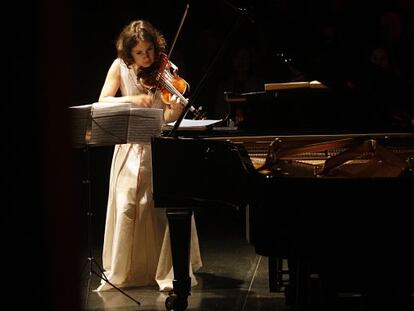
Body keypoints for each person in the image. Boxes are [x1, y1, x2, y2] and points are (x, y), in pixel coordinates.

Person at [94, 19, 202, 292]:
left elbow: (165, 117)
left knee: (162, 208)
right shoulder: (119, 67)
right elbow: (103, 100)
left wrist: (174, 113)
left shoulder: (163, 70)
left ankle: (167, 270)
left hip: (159, 147)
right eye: (140, 53)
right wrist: (131, 99)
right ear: (129, 53)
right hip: (129, 147)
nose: (147, 58)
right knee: (129, 204)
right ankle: (130, 269)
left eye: (151, 50)